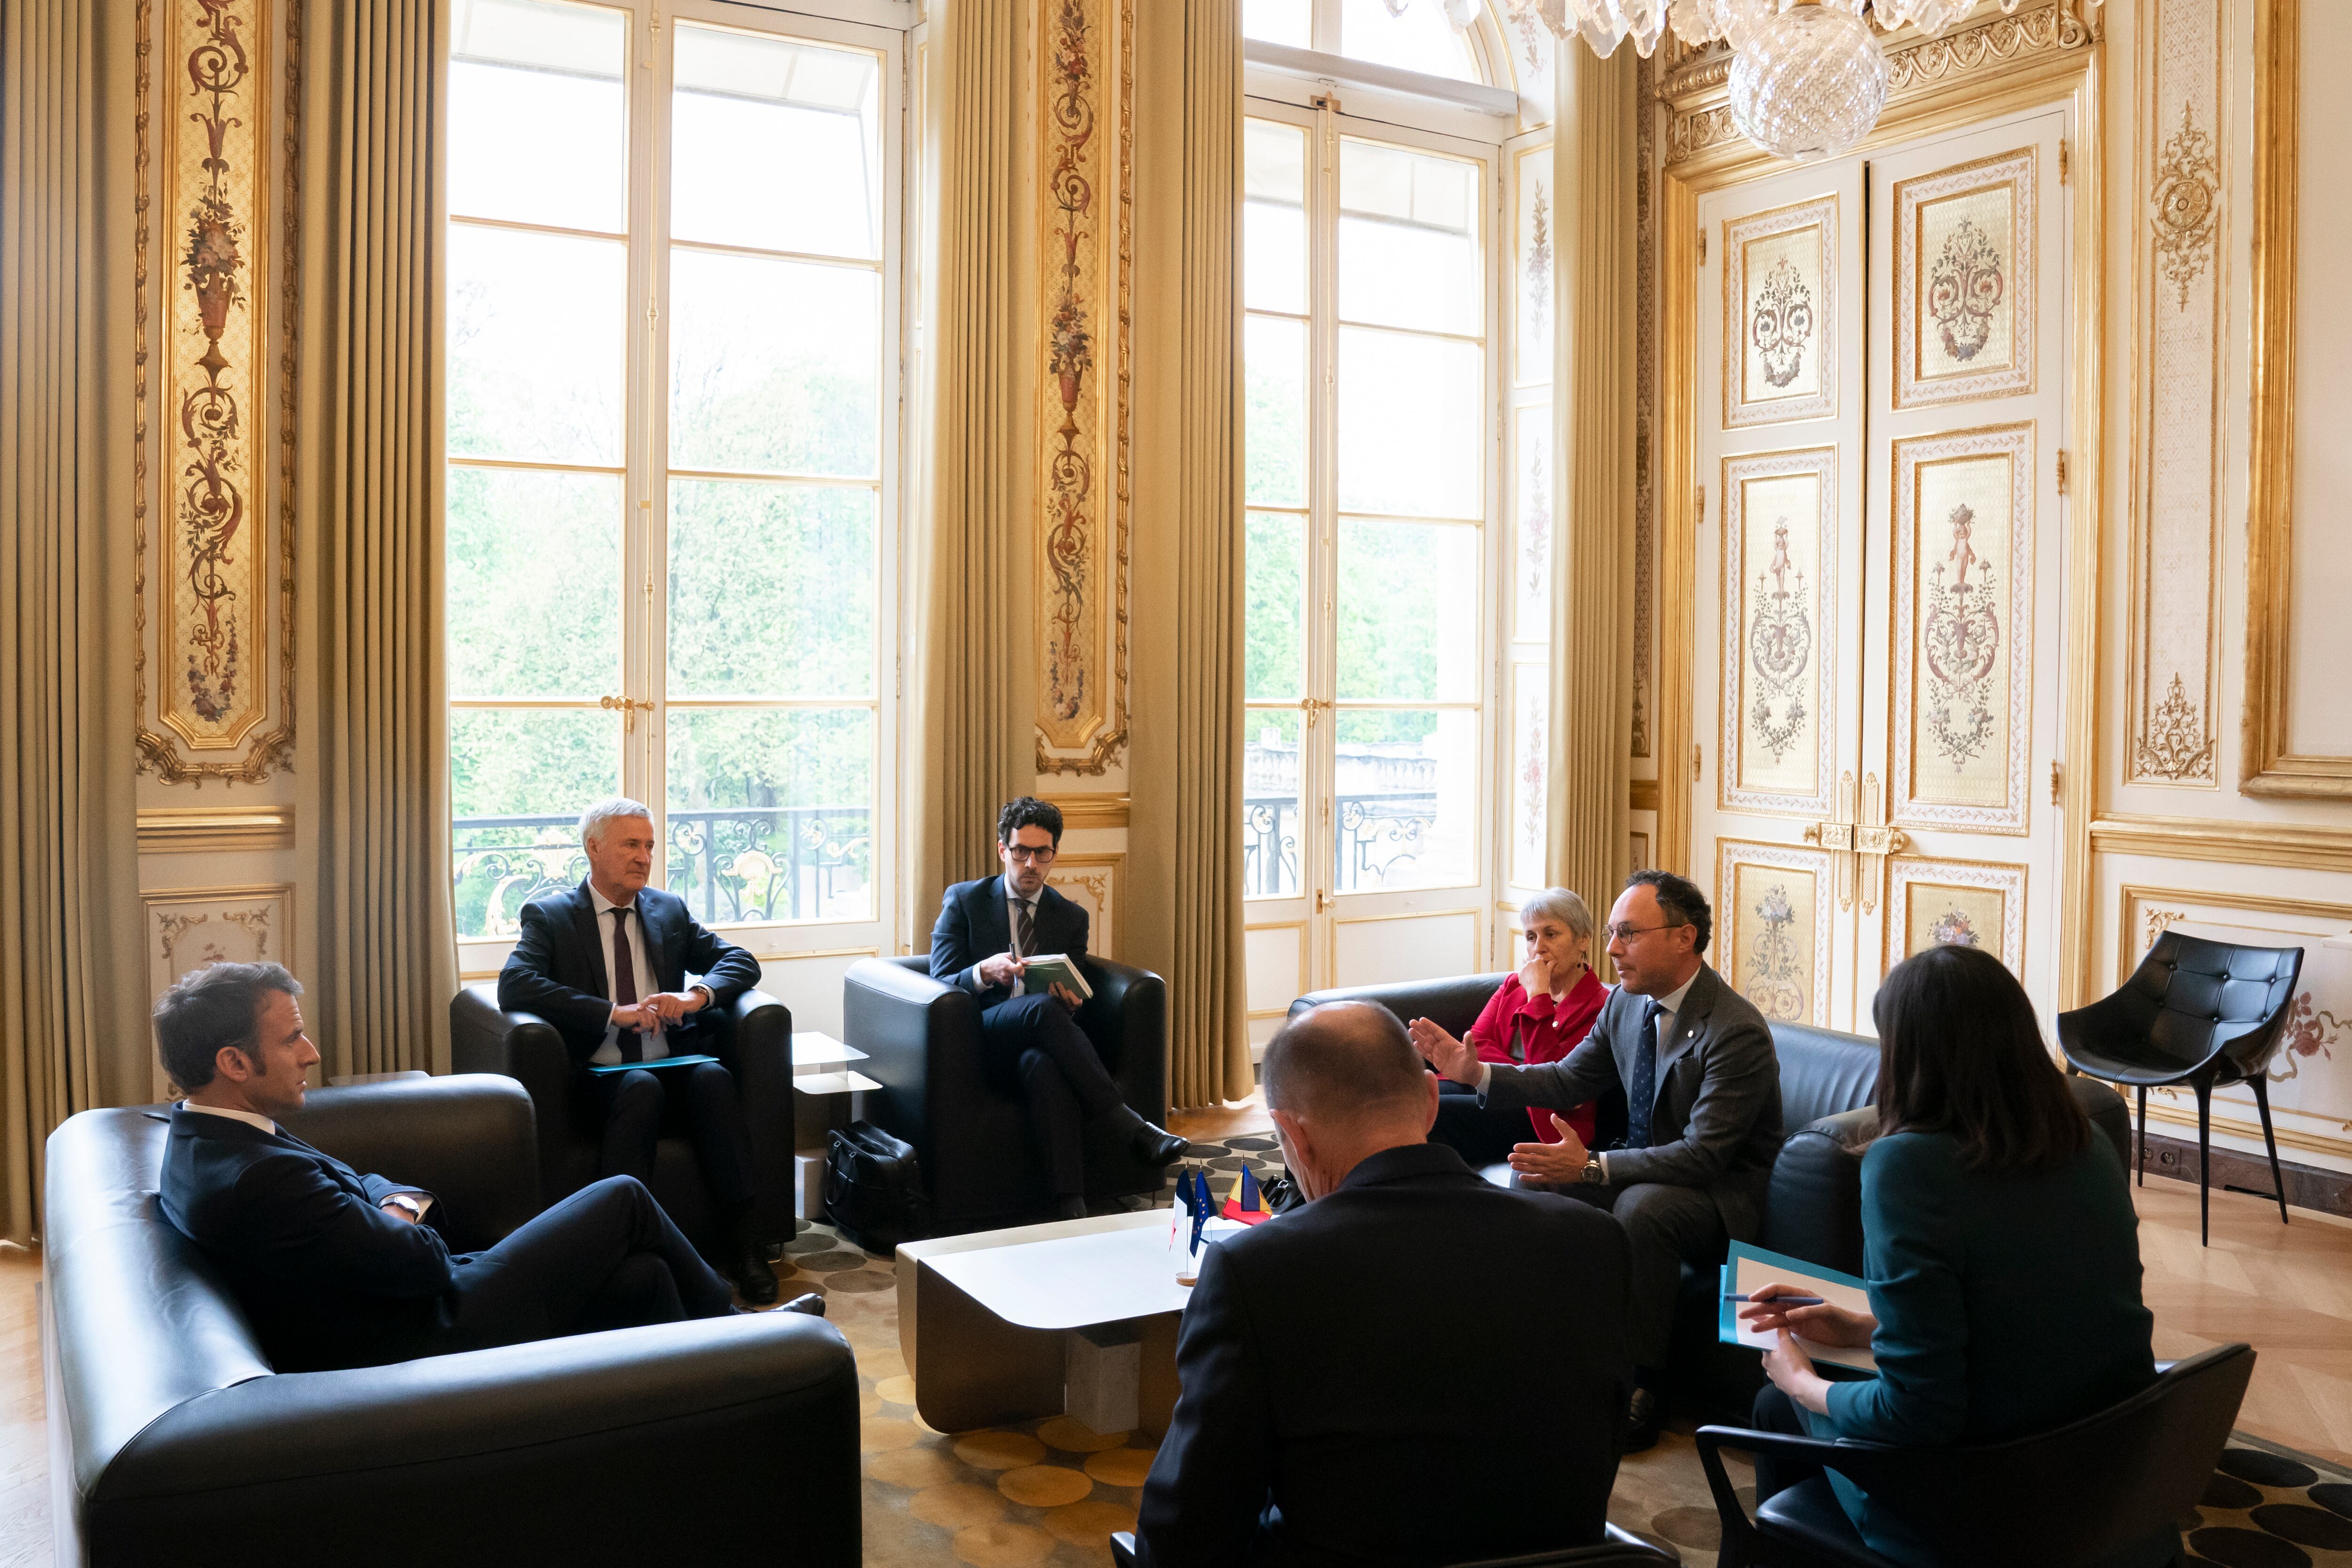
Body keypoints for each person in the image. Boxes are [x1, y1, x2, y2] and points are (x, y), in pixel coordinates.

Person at [1135, 1002, 1631, 1568]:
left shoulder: (1257, 1272)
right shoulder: (1594, 1243)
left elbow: (1184, 1537)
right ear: (1429, 1100)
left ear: (1292, 1136)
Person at [154, 963, 816, 1375]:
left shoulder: (210, 1137)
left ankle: (703, 1411)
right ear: (234, 1063)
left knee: (644, 1278)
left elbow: (376, 1188)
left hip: (414, 1300)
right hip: (431, 1330)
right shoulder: (255, 1175)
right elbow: (420, 1259)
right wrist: (396, 1211)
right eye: (291, 1038)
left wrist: (388, 1206)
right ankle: (748, 1340)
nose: (311, 1051)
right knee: (624, 1199)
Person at [1738, 944, 2166, 1568]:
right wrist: (1863, 1325)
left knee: (1777, 1403)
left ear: (1910, 1054)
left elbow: (1919, 1412)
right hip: (2105, 1475)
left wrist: (1805, 1383)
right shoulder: (2087, 1142)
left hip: (1985, 1501)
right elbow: (2030, 1307)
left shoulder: (1907, 1165)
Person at [1412, 868, 1781, 1450]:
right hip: (1647, 1167)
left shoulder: (1734, 1030)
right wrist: (1475, 1072)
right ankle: (1535, 1350)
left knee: (1642, 1208)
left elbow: (1703, 1156)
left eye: (1627, 934)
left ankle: (1642, 1385)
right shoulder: (1629, 1006)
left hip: (1717, 1193)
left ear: (1683, 938)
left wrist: (1590, 1167)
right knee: (1531, 1177)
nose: (1610, 949)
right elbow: (1566, 1078)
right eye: (1610, 933)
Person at [498, 797, 777, 1303]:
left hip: (673, 1061)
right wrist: (611, 1013)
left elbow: (739, 961)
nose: (644, 857)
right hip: (601, 1076)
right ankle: (616, 1248)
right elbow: (515, 985)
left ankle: (746, 1245)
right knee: (640, 1086)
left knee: (713, 1078)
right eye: (631, 844)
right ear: (593, 848)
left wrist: (695, 997)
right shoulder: (553, 915)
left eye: (649, 845)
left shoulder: (667, 910)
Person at [930, 795, 1188, 1220]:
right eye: (1020, 852)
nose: (1030, 864)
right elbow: (939, 983)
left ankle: (1071, 1207)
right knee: (1040, 1012)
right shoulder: (965, 901)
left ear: (1055, 854)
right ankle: (1130, 1126)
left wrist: (1071, 1004)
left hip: (1040, 1039)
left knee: (1044, 1064)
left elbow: (1074, 1000)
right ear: (1003, 850)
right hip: (980, 1036)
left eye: (1041, 853)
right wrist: (983, 972)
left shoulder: (1071, 918)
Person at [1428, 887, 1610, 1168]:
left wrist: (1538, 996)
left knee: (1433, 1113)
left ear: (1583, 939)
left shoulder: (1600, 1006)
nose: (1539, 947)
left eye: (1551, 934)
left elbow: (1556, 1083)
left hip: (1544, 1119)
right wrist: (1502, 1078)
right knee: (1413, 1094)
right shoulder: (1515, 984)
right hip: (1490, 1090)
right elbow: (1477, 1043)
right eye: (1531, 937)